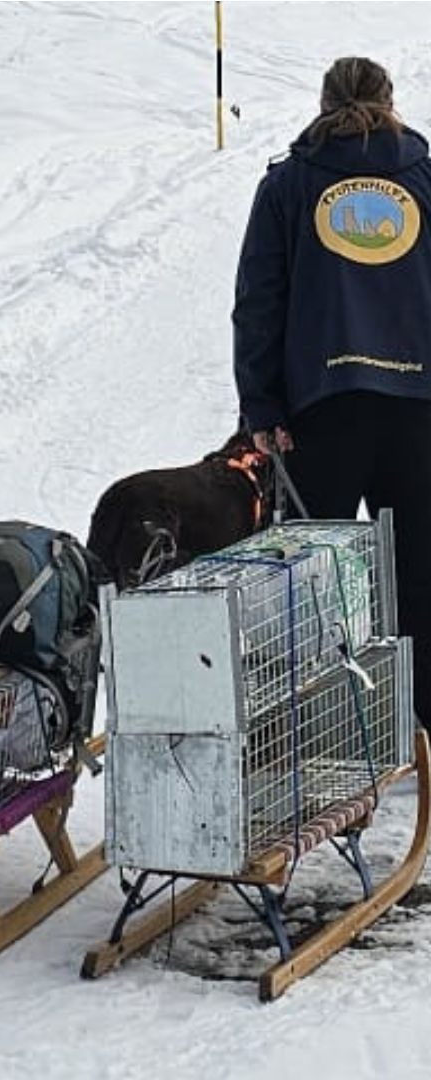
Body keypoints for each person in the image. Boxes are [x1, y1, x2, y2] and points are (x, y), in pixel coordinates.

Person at [234, 56, 431, 728]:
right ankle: (421, 730)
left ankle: (322, 732)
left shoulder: (288, 185)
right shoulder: (426, 180)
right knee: (420, 573)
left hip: (319, 411)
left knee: (313, 581)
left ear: (322, 104)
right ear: (391, 102)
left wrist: (262, 406)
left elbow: (259, 301)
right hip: (418, 408)